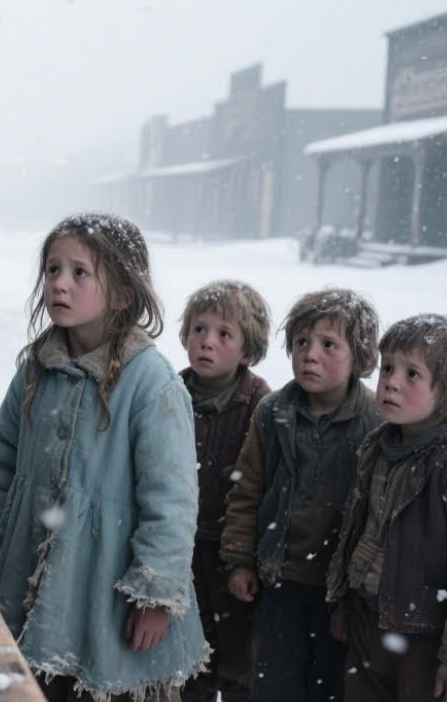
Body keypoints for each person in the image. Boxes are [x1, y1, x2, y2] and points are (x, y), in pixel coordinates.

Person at [0, 213, 207, 702]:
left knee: (99, 684)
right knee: (32, 684)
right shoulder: (36, 369)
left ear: (121, 291)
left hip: (107, 577)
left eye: (80, 272)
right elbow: (2, 456)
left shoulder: (151, 384)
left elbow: (172, 500)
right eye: (53, 269)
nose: (59, 283)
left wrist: (155, 595)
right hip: (28, 559)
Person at [326, 314, 447, 702]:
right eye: (388, 368)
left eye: (412, 374)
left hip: (426, 638)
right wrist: (345, 599)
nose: (391, 381)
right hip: (369, 624)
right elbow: (359, 533)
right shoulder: (379, 448)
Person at [220, 287, 382, 702]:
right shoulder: (273, 413)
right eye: (301, 342)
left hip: (340, 589)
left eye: (329, 345)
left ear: (360, 358)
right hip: (281, 580)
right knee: (274, 683)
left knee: (330, 686)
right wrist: (241, 560)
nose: (310, 354)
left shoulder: (376, 422)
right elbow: (247, 491)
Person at [175, 280, 272, 702]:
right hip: (179, 551)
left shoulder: (262, 406)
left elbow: (260, 490)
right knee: (186, 663)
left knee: (239, 664)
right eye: (199, 329)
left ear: (247, 351)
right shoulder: (169, 393)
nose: (206, 342)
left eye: (223, 334)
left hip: (232, 555)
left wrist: (244, 558)